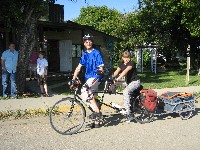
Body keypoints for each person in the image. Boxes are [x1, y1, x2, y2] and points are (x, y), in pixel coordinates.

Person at [72, 34, 104, 128]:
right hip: (88, 78)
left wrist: (100, 69)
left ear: (92, 42)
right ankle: (97, 122)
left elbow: (101, 66)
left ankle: (97, 113)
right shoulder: (85, 54)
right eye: (86, 41)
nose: (88, 42)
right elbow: (78, 68)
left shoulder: (96, 53)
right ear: (84, 43)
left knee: (84, 90)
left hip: (96, 76)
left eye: (90, 41)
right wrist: (73, 79)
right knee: (93, 98)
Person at [112, 51, 140, 121]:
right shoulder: (121, 64)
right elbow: (116, 72)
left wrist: (118, 78)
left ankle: (127, 109)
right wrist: (111, 77)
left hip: (135, 82)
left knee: (126, 91)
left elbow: (125, 71)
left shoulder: (132, 63)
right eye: (125, 58)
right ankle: (129, 113)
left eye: (128, 57)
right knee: (112, 85)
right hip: (128, 82)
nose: (127, 59)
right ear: (122, 58)